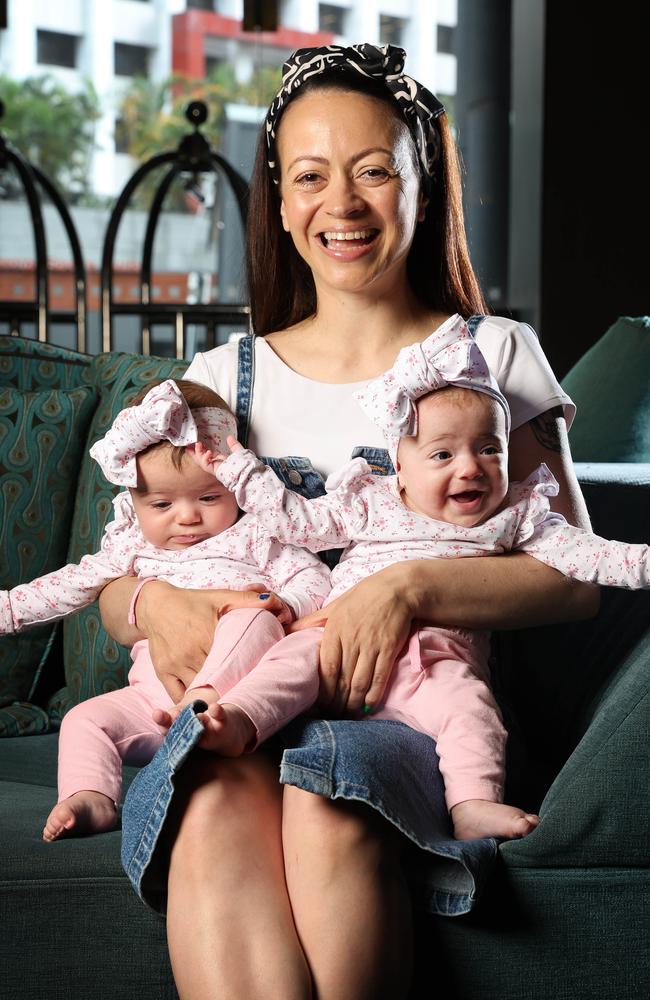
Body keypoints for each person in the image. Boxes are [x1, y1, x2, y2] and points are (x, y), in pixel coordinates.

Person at [103, 44, 599, 1000]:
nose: (343, 204)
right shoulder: (220, 379)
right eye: (311, 176)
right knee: (208, 802)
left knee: (327, 792)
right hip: (243, 702)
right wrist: (146, 604)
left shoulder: (491, 352)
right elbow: (124, 567)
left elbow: (577, 578)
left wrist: (406, 587)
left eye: (374, 170)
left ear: (424, 182)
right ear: (279, 199)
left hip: (417, 715)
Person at [189, 315, 650, 842]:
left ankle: (472, 803)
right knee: (286, 663)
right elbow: (299, 521)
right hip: (333, 642)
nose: (471, 468)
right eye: (442, 455)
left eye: (489, 448)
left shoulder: (518, 516)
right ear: (399, 468)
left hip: (436, 664)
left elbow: (590, 559)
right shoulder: (371, 500)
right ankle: (240, 721)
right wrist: (240, 473)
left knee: (472, 712)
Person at [0, 378, 330, 842]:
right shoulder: (131, 546)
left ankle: (206, 707)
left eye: (209, 497)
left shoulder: (255, 534)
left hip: (239, 704)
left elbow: (314, 577)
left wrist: (285, 606)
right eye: (162, 503)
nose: (188, 516)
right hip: (155, 703)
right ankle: (92, 796)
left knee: (251, 615)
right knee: (83, 719)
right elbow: (67, 585)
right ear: (133, 504)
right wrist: (8, 609)